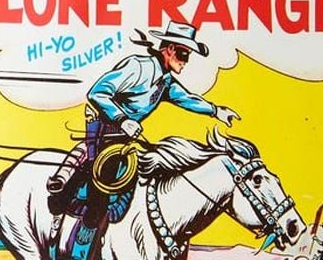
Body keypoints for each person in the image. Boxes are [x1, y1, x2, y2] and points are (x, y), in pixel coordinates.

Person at [47, 21, 240, 207]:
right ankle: (64, 197)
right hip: (103, 126)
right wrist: (123, 120)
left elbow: (186, 98)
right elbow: (97, 93)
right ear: (170, 49)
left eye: (188, 56)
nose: (185, 62)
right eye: (183, 54)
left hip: (125, 137)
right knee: (100, 190)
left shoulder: (166, 82)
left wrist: (216, 111)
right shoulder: (138, 67)